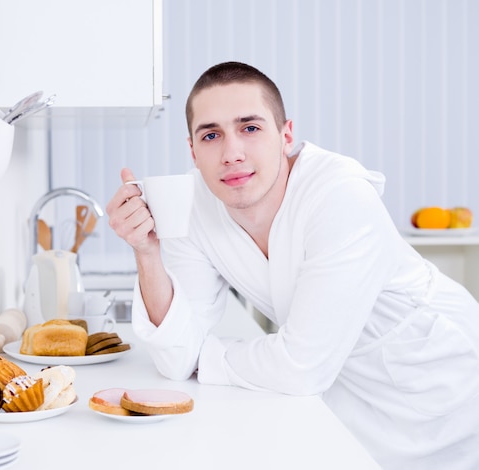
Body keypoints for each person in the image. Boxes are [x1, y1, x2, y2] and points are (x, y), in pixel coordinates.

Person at [106, 61, 479, 469]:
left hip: (445, 386)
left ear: (286, 136)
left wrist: (207, 357)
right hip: (347, 397)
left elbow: (300, 367)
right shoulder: (195, 207)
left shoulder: (340, 196)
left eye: (250, 128)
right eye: (211, 135)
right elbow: (177, 359)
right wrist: (146, 251)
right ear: (193, 151)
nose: (231, 153)